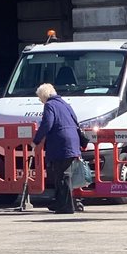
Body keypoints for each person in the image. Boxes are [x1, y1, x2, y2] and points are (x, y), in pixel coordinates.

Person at [32, 82, 83, 214]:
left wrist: (36, 140)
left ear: (44, 95)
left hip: (61, 143)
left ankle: (66, 206)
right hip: (72, 142)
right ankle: (63, 203)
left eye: (40, 98)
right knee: (65, 175)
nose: (40, 101)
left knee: (62, 176)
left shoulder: (49, 105)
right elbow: (75, 121)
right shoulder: (65, 104)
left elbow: (47, 123)